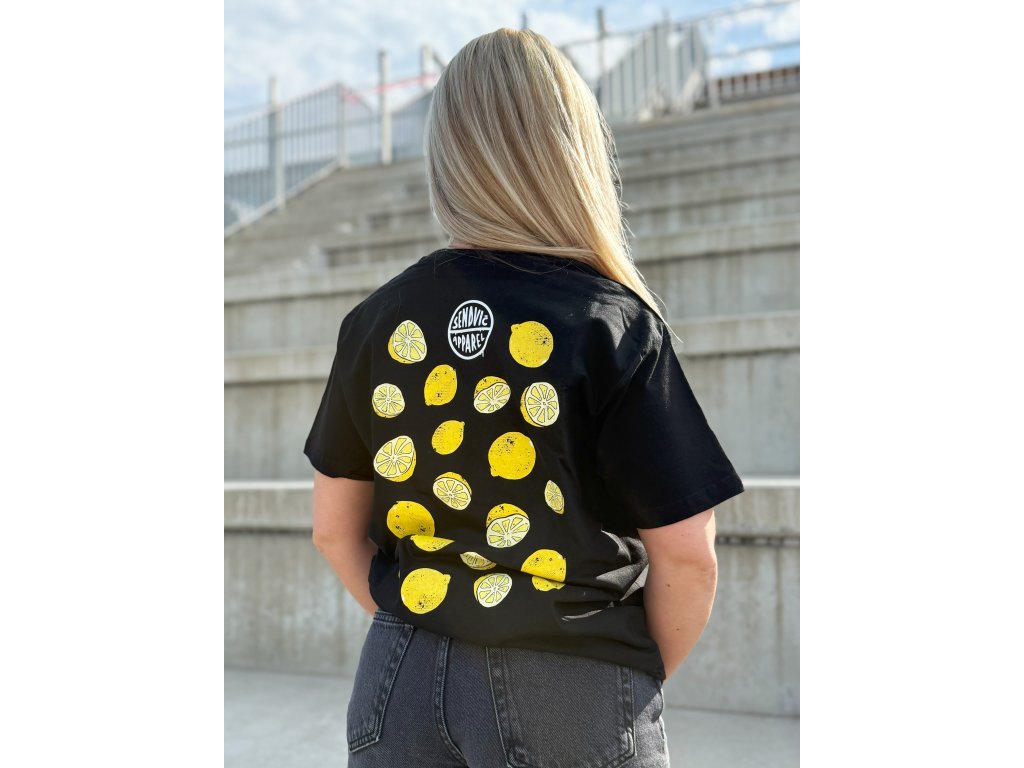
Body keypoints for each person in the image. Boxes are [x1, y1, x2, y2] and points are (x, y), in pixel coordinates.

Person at [304, 27, 745, 768]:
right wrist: (621, 680)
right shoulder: (610, 323)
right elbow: (689, 557)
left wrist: (423, 619)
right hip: (569, 672)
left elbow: (332, 531)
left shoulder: (376, 322)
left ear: (446, 156)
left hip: (398, 675)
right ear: (572, 152)